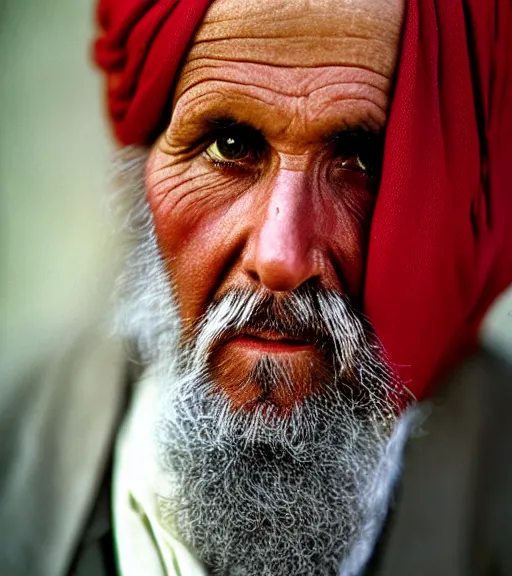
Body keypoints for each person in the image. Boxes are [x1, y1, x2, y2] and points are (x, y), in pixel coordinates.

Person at [0, 0, 511, 575]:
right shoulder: (13, 435)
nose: (280, 258)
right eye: (230, 146)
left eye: (363, 160)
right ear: (146, 163)